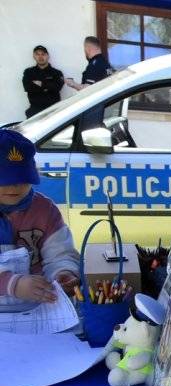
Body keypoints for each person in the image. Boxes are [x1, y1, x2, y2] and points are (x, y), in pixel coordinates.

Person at [0, 130, 80, 312]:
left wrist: (63, 273)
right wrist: (12, 283)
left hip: (40, 309)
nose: (15, 186)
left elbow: (60, 254)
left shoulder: (44, 210)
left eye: (23, 179)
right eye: (5, 179)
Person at [22, 45, 64, 118]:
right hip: (34, 112)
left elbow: (57, 87)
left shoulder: (57, 73)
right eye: (37, 54)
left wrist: (41, 84)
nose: (40, 57)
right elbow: (27, 87)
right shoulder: (28, 72)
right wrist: (48, 87)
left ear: (48, 56)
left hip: (53, 111)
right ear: (34, 56)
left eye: (43, 54)